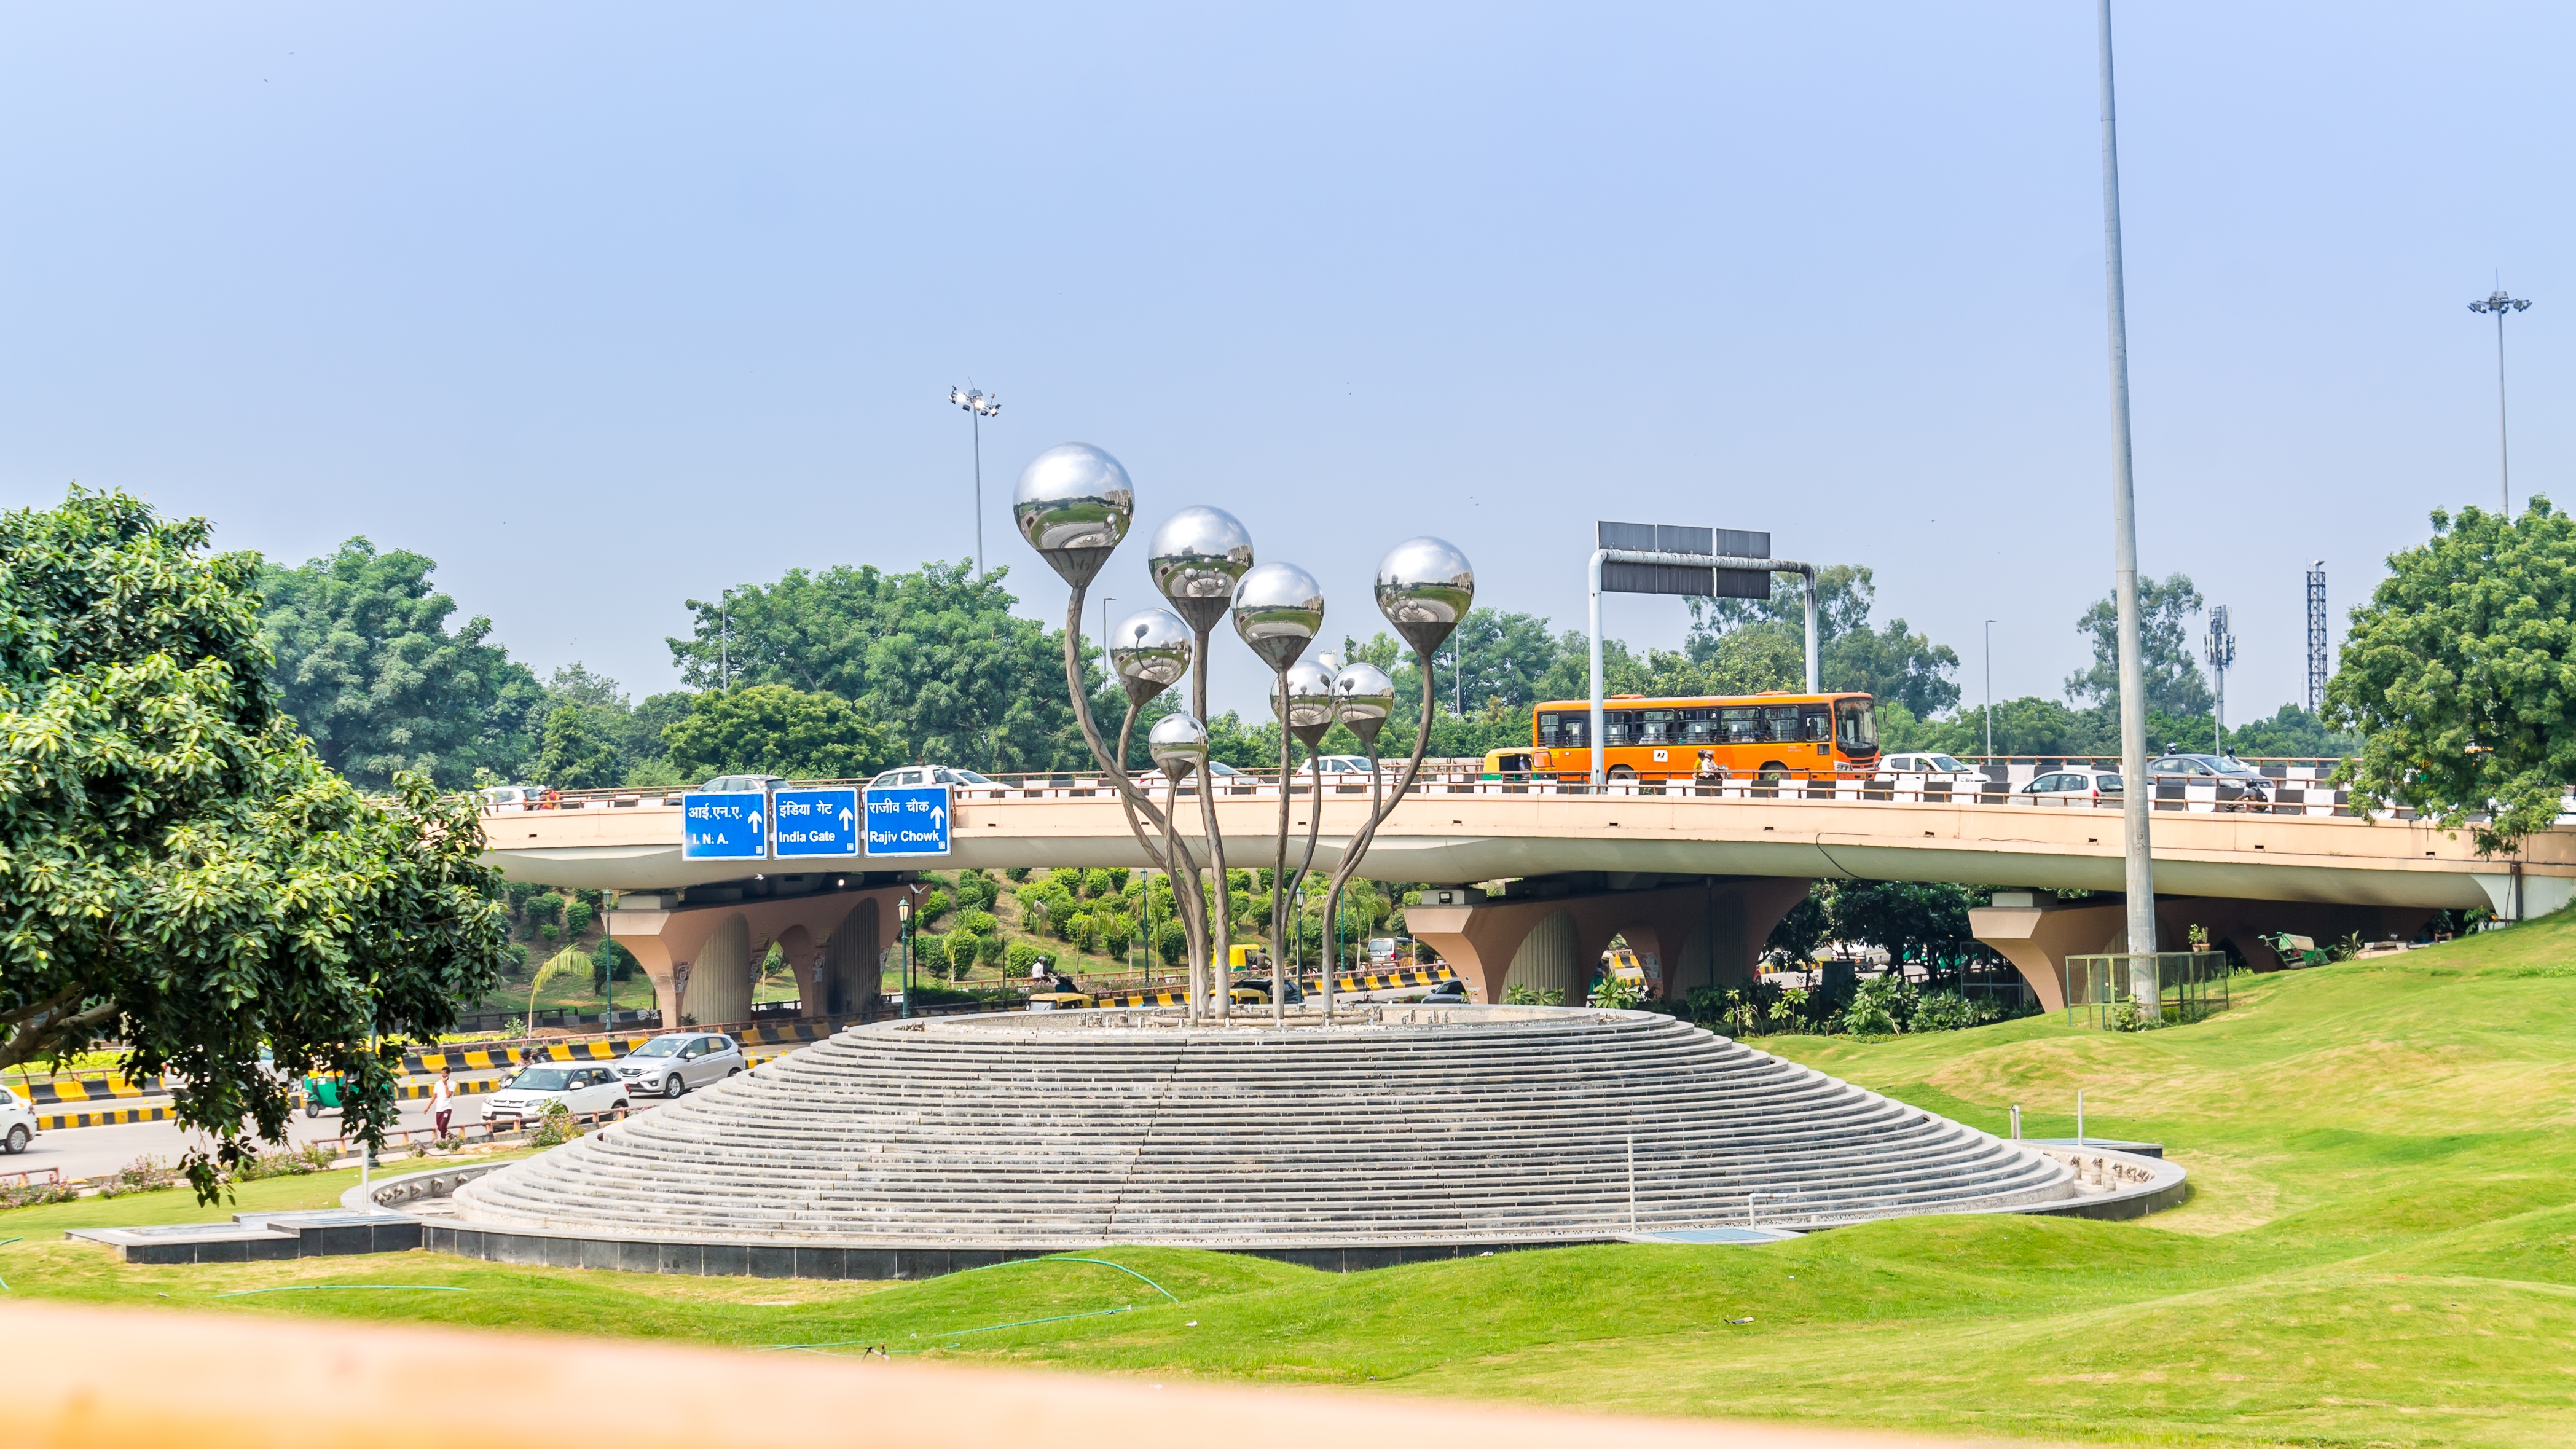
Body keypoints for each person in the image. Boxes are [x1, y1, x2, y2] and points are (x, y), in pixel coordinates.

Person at [430, 1066, 454, 1141]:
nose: (443, 1075)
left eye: (444, 1074)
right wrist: (427, 1108)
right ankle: (451, 1136)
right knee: (439, 1127)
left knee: (443, 1125)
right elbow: (434, 1096)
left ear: (448, 1074)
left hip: (447, 1108)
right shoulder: (438, 1083)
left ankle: (443, 1139)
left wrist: (445, 1085)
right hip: (439, 1108)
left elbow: (448, 1095)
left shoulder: (453, 1083)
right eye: (442, 1074)